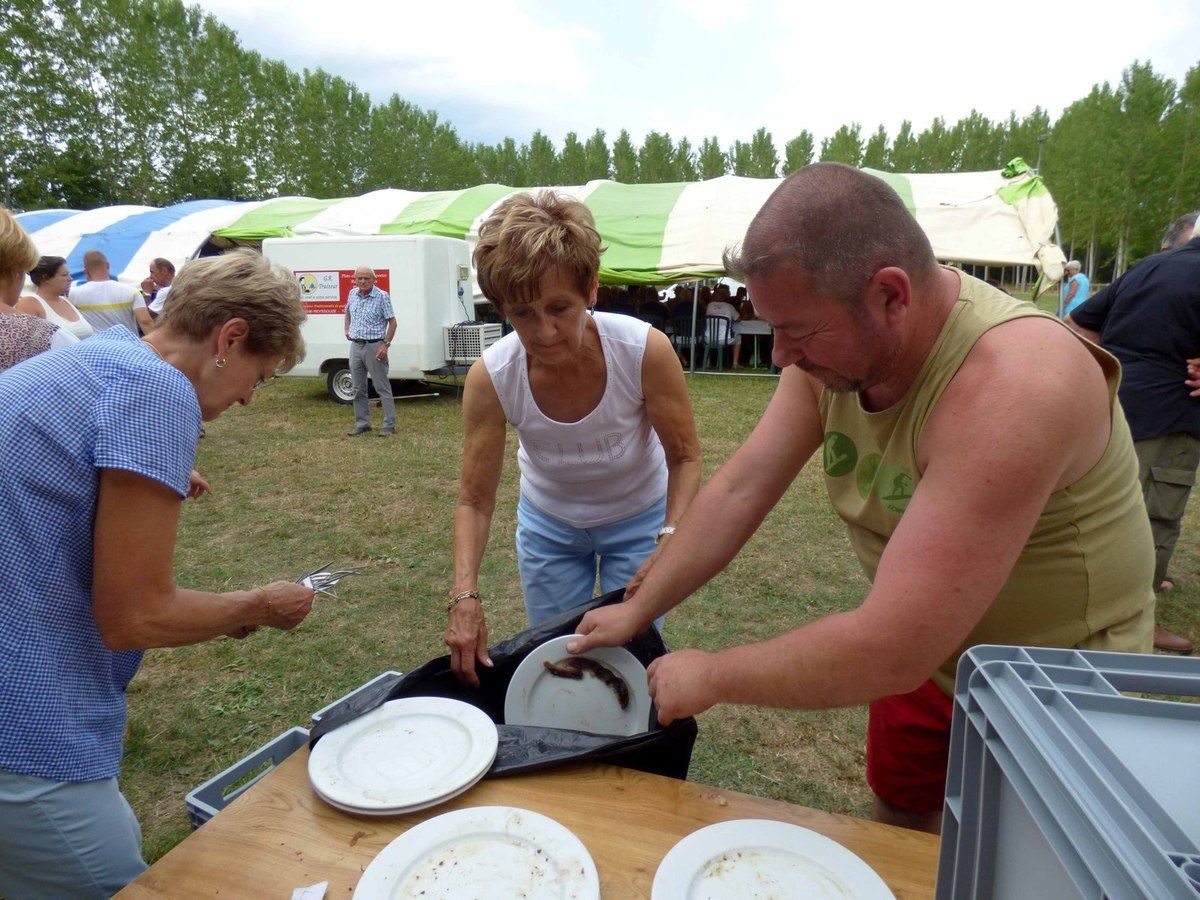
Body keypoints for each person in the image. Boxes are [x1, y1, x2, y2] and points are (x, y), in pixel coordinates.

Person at [569, 163, 1154, 835]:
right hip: (928, 657)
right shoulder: (832, 360)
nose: (780, 356)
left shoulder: (1018, 382)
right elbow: (740, 488)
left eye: (798, 331)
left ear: (890, 295)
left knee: (1023, 860)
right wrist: (638, 608)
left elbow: (892, 646)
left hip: (1056, 685)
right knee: (903, 826)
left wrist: (715, 674)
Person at [0, 249, 315, 897]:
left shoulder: (99, 357)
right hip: (24, 731)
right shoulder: (156, 391)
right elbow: (134, 616)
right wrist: (259, 606)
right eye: (260, 376)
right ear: (230, 338)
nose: (248, 397)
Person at [443, 191, 702, 687]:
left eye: (559, 307)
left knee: (631, 654)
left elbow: (686, 457)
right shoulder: (492, 377)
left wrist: (670, 539)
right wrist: (464, 594)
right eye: (522, 314)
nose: (545, 332)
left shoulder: (642, 351)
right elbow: (474, 500)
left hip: (640, 518)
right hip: (551, 527)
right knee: (558, 657)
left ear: (592, 291)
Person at [1066, 223, 1200, 653]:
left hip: (1109, 408)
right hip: (1168, 418)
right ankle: (1138, 618)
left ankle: (1078, 606)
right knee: (1153, 519)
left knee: (1096, 513)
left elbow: (1075, 325)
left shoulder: (1147, 267)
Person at [0, 209, 76, 373]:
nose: (70, 279)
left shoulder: (66, 303)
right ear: (16, 269)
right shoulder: (43, 335)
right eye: (64, 275)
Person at [343, 265, 397, 436]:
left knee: (381, 386)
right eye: (359, 278)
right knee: (358, 388)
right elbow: (347, 312)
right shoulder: (352, 294)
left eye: (366, 278)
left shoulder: (382, 296)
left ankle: (389, 425)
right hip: (356, 346)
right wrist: (346, 328)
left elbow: (393, 322)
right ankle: (362, 423)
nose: (363, 281)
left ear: (374, 280)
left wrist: (385, 345)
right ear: (355, 279)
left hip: (375, 346)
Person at [70, 249, 154, 334]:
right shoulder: (131, 291)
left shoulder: (73, 294)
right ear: (108, 265)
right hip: (127, 341)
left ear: (85, 270)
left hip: (94, 342)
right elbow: (145, 322)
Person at [18, 255, 94, 340]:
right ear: (46, 278)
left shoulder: (66, 301)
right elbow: (22, 340)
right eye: (64, 275)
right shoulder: (30, 303)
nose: (70, 279)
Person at [704, 283, 742, 368]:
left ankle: (708, 362)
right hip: (724, 339)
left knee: (709, 342)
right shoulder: (729, 306)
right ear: (726, 297)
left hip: (708, 338)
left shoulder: (709, 305)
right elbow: (738, 319)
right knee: (739, 339)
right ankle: (735, 363)